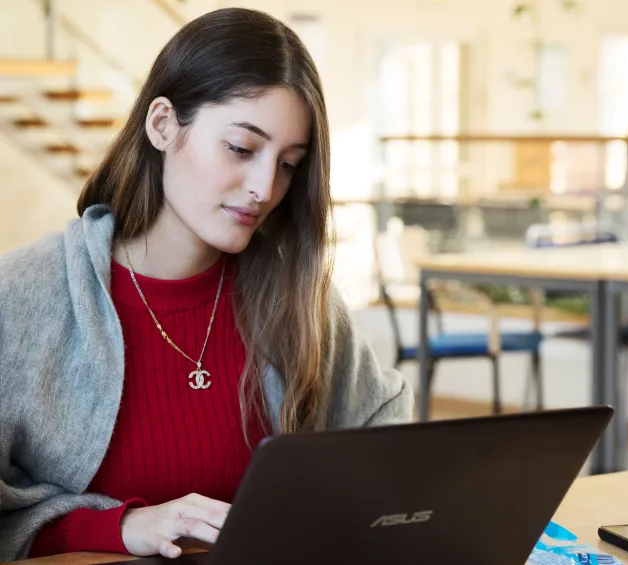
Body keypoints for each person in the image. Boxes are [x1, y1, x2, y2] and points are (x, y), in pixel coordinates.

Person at [0, 8, 412, 562]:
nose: (265, 188)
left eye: (289, 164)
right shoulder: (26, 297)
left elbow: (385, 433)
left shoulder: (295, 294)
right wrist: (121, 528)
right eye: (241, 149)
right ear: (163, 125)